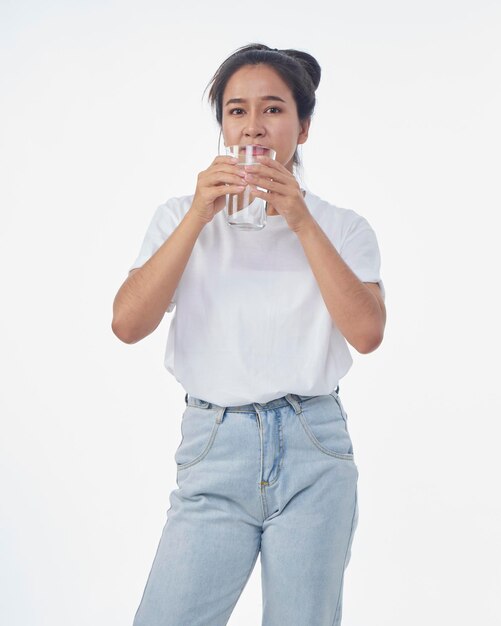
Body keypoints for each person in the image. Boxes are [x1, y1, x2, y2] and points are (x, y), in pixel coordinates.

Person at [112, 43, 386, 626]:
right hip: (215, 446)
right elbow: (127, 324)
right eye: (236, 111)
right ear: (222, 128)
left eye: (273, 109)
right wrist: (196, 218)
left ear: (303, 127)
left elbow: (366, 333)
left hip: (314, 447)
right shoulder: (179, 215)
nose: (254, 126)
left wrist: (300, 218)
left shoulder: (343, 226)